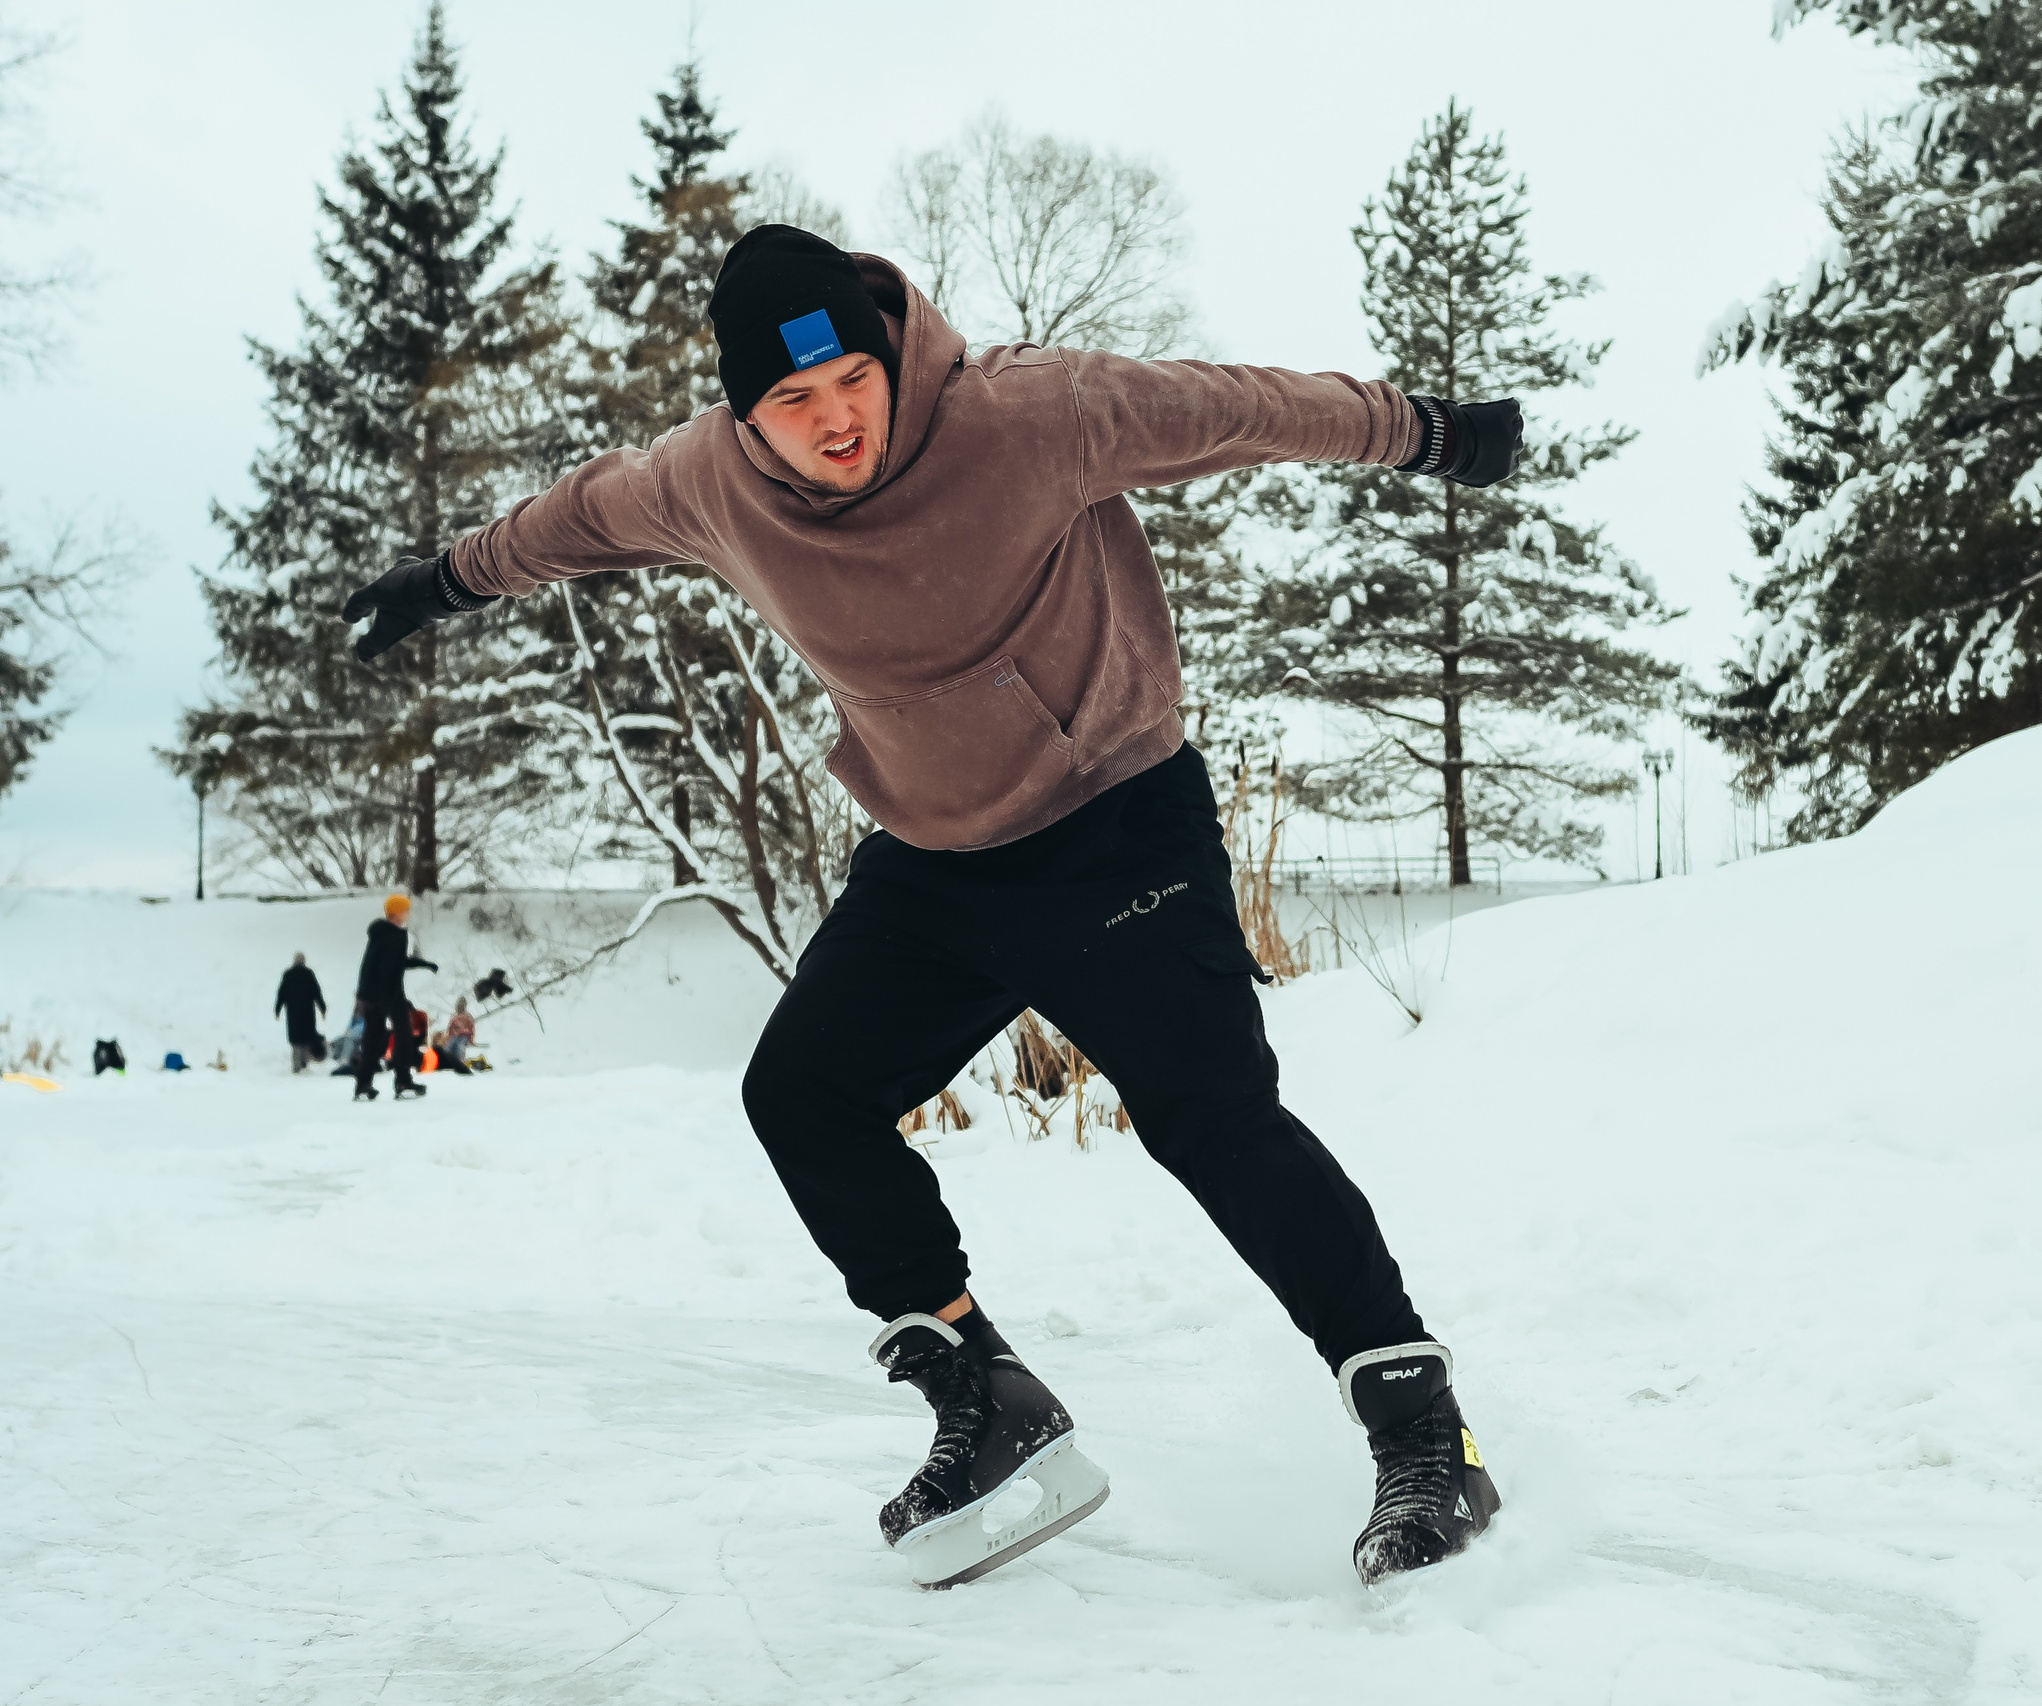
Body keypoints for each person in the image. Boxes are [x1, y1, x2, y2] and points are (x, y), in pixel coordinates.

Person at [340, 226, 1516, 1588]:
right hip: (940, 856)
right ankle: (983, 1395)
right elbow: (577, 517)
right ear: (745, 415)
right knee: (802, 1093)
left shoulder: (1030, 414)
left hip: (1115, 824)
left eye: (851, 375)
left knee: (1213, 1121)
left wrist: (1423, 431)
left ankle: (1426, 1434)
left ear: (887, 353)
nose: (835, 417)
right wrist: (443, 580)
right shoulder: (710, 486)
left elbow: (1244, 407)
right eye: (792, 400)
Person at [352, 893, 437, 1103]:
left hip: (369, 994)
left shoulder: (379, 933)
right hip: (387, 994)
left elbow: (387, 964)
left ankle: (363, 1085)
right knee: (404, 1036)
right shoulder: (396, 935)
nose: (408, 913)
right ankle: (403, 1081)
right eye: (405, 909)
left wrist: (423, 964)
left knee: (372, 1039)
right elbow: (390, 968)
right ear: (396, 913)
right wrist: (396, 1000)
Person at [275, 952, 329, 1073]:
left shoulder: (288, 974)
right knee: (306, 1037)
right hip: (307, 1012)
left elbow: (281, 993)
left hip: (293, 1012)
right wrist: (322, 1008)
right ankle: (304, 1063)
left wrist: (277, 1009)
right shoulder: (308, 974)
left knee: (295, 1040)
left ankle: (296, 1065)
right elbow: (317, 991)